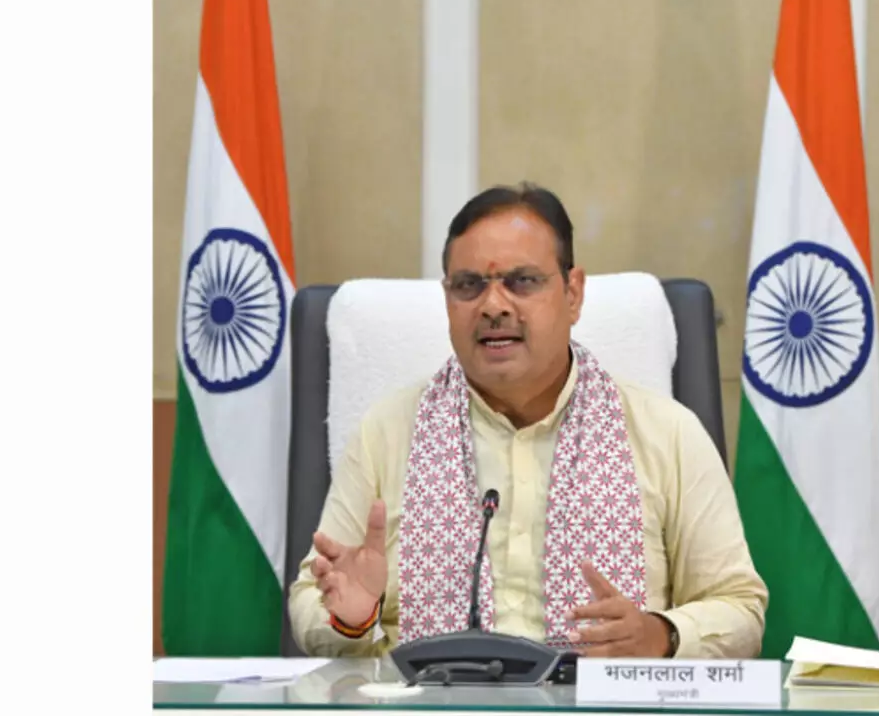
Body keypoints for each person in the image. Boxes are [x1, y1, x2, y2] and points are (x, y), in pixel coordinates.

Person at [288, 183, 767, 658]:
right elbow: (313, 597)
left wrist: (660, 635)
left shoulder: (667, 433)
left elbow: (740, 607)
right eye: (469, 285)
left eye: (522, 281)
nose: (493, 306)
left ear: (573, 294)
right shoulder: (388, 432)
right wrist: (353, 620)